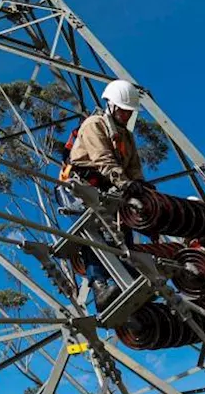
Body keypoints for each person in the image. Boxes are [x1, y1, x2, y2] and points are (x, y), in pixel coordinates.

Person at [59, 79, 149, 310]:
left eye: (130, 113)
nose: (127, 116)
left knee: (124, 228)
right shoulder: (94, 124)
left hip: (110, 188)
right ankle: (100, 286)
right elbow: (102, 160)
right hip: (81, 185)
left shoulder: (126, 137)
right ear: (111, 106)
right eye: (124, 111)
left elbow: (134, 166)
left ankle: (129, 278)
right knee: (93, 233)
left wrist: (139, 184)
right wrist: (125, 184)